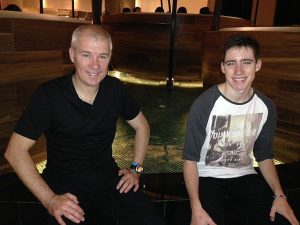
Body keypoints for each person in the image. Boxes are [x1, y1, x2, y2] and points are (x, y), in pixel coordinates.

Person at [4, 25, 166, 225]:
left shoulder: (116, 90)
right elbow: (15, 151)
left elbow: (142, 126)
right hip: (63, 181)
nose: (95, 66)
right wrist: (50, 199)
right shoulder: (49, 95)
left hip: (107, 177)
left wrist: (136, 169)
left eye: (103, 57)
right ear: (72, 55)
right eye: (86, 55)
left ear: (110, 58)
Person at [183, 34, 299, 225]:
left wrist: (280, 196)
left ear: (258, 65)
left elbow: (264, 155)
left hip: (244, 175)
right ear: (222, 68)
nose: (238, 71)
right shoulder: (204, 104)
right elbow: (189, 159)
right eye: (231, 63)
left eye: (246, 62)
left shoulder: (265, 107)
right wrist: (195, 207)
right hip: (207, 175)